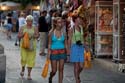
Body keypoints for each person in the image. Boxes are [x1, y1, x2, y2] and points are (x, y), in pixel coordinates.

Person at [18, 15, 39, 80]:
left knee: (31, 60)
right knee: (23, 58)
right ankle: (23, 69)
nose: (30, 22)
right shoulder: (22, 27)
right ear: (26, 21)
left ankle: (29, 74)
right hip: (24, 46)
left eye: (31, 21)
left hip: (32, 46)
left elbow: (37, 35)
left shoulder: (35, 27)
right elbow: (19, 36)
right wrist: (23, 35)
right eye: (28, 21)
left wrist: (33, 36)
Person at [47, 17, 68, 83]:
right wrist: (48, 53)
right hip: (54, 52)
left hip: (62, 52)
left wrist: (67, 52)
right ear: (55, 23)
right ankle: (51, 76)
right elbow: (49, 44)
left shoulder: (64, 32)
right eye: (59, 22)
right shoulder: (51, 32)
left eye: (61, 22)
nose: (61, 24)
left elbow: (66, 43)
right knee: (54, 70)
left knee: (61, 69)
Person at [68, 15, 85, 83]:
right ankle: (77, 80)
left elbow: (82, 38)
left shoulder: (81, 28)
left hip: (81, 47)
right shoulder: (72, 29)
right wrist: (69, 50)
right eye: (78, 19)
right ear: (75, 20)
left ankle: (77, 74)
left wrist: (85, 46)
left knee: (81, 66)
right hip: (74, 47)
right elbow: (69, 40)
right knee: (76, 65)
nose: (80, 21)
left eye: (80, 19)